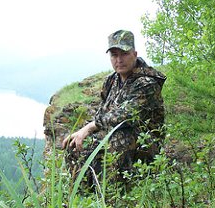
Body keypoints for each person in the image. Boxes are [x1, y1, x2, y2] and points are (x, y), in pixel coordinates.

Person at [62, 30, 166, 183]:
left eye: (124, 54)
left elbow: (126, 117)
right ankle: (83, 195)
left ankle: (115, 196)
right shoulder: (111, 81)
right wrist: (82, 132)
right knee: (75, 144)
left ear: (134, 54)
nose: (119, 60)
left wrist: (90, 127)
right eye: (114, 55)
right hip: (113, 136)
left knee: (118, 137)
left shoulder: (147, 83)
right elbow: (102, 112)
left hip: (145, 145)